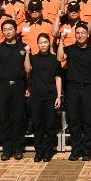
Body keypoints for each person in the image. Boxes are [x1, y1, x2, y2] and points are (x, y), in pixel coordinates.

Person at [57, 23, 91, 161]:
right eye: (78, 33)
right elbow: (59, 58)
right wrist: (61, 41)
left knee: (87, 121)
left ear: (88, 34)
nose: (80, 35)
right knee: (73, 121)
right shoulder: (69, 49)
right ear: (75, 35)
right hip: (72, 89)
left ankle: (87, 151)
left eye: (83, 33)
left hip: (88, 89)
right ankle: (76, 150)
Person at [0, 19, 28, 160]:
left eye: (10, 29)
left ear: (15, 30)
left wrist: (28, 86)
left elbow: (28, 70)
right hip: (2, 86)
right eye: (5, 29)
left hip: (18, 85)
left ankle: (18, 148)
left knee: (18, 117)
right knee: (4, 117)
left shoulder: (24, 47)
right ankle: (6, 148)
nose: (8, 32)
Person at [25, 33, 62, 162]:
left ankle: (48, 151)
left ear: (49, 43)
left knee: (50, 126)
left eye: (45, 42)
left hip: (51, 96)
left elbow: (58, 78)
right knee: (37, 125)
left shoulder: (54, 59)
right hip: (36, 97)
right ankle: (39, 151)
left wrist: (59, 96)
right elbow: (27, 70)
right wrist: (27, 54)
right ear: (37, 44)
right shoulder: (33, 58)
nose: (43, 45)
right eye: (40, 42)